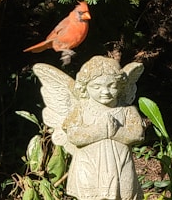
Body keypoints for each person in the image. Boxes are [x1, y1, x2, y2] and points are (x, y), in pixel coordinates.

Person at [62, 56, 145, 200]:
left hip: (120, 164)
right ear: (85, 87)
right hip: (89, 165)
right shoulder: (81, 109)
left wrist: (115, 132)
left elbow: (138, 135)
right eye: (97, 87)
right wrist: (100, 131)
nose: (105, 92)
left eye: (111, 86)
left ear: (120, 87)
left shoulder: (127, 110)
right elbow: (73, 135)